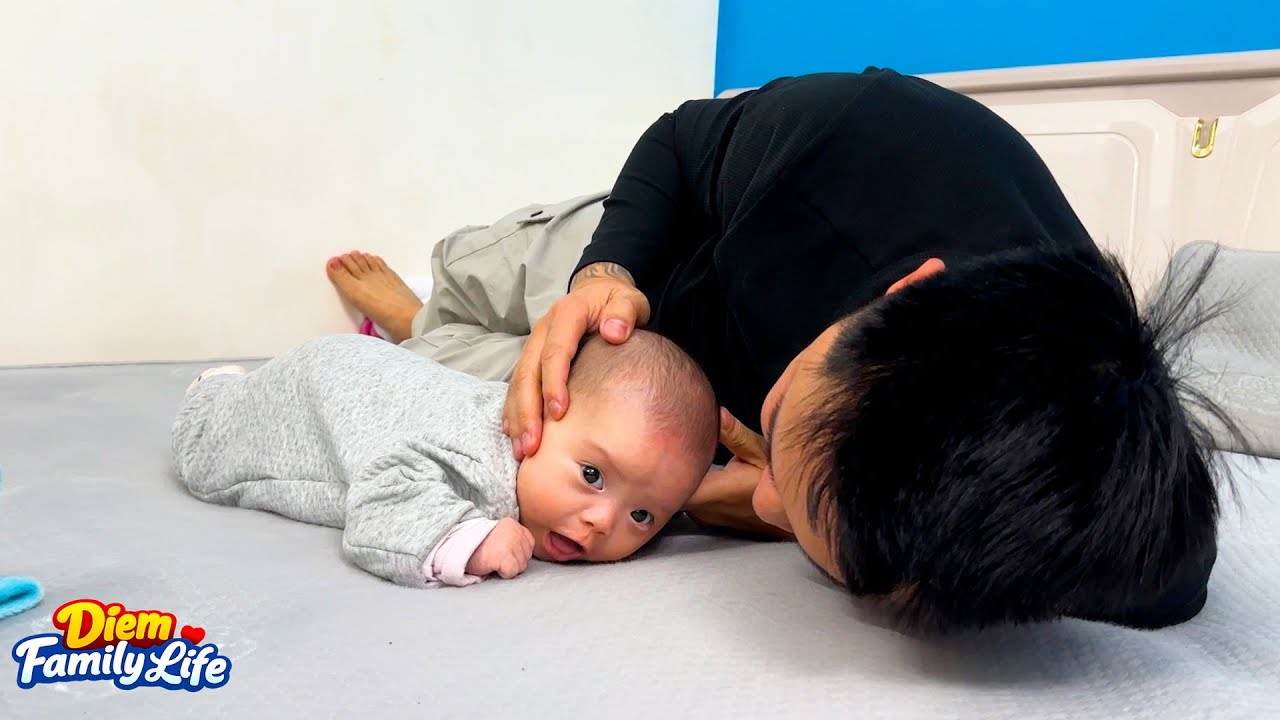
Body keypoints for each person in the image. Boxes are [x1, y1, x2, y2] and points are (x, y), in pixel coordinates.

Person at [325, 69, 1236, 631]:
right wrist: (607, 273)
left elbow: (1171, 586)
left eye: (796, 527)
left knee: (446, 376)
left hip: (663, 401)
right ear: (902, 297)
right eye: (787, 466)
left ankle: (415, 336)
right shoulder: (866, 139)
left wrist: (772, 508)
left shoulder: (1103, 496)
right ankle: (428, 304)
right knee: (476, 279)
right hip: (643, 271)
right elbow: (681, 139)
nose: (756, 499)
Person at [171, 331, 718, 587]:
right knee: (212, 455)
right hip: (314, 395)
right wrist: (465, 537)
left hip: (365, 368)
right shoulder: (473, 456)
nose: (603, 521)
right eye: (593, 476)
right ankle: (214, 393)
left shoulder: (558, 454)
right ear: (538, 417)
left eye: (642, 516)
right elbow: (381, 498)